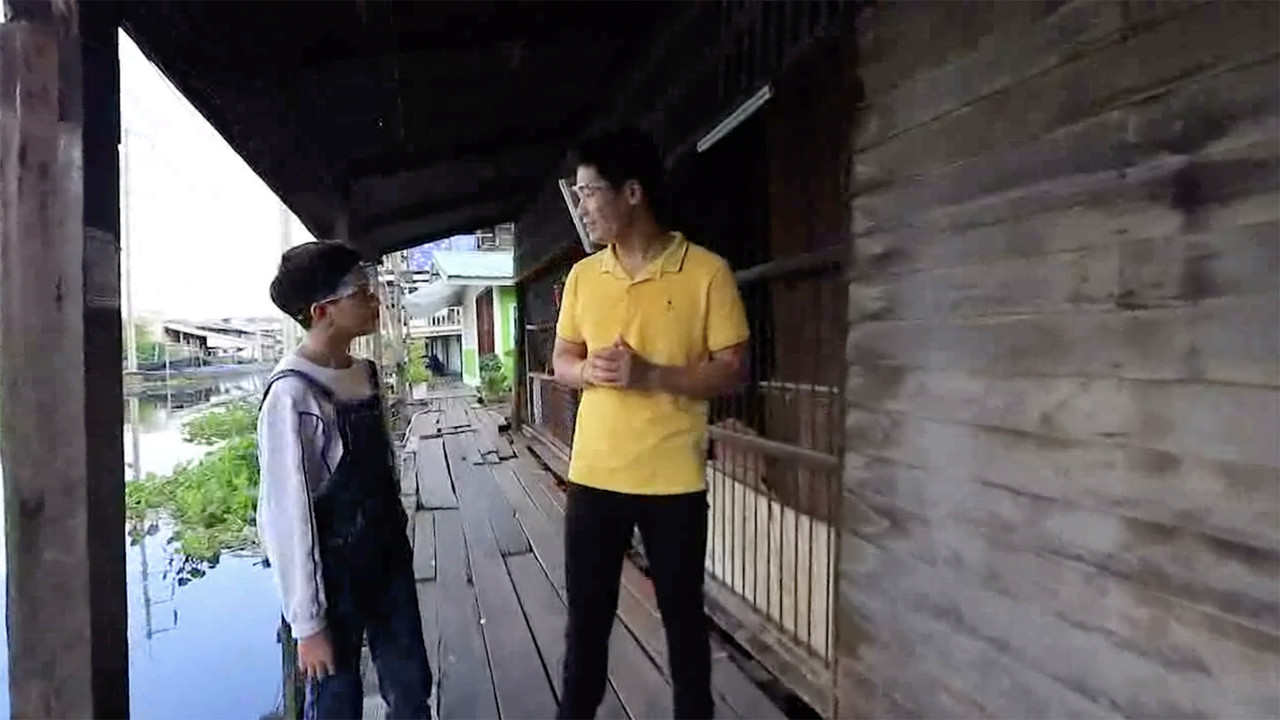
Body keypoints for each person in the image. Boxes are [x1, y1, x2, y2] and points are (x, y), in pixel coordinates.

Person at [551, 127, 750, 719]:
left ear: (632, 193)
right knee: (587, 624)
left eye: (590, 193)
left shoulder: (707, 272)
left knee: (684, 624)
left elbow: (733, 371)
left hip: (673, 481)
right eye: (578, 195)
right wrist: (588, 371)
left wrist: (652, 375)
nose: (583, 207)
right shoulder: (585, 277)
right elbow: (562, 361)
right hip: (594, 476)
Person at [257, 241, 433, 719]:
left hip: (388, 559)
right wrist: (307, 623)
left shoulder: (365, 374)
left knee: (411, 686)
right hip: (333, 580)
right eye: (361, 291)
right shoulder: (292, 395)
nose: (375, 299)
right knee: (336, 701)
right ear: (322, 312)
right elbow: (286, 519)